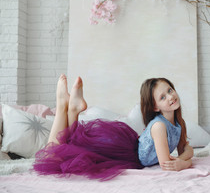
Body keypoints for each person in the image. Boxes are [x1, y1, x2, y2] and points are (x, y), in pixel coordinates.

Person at [33, 75, 193, 180]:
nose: (171, 96)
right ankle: (62, 107)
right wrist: (185, 162)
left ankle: (71, 108)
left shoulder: (179, 123)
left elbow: (184, 150)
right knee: (53, 157)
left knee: (69, 147)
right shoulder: (159, 126)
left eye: (170, 90)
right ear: (156, 107)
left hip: (126, 149)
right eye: (163, 97)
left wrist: (186, 156)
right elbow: (167, 164)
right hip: (123, 152)